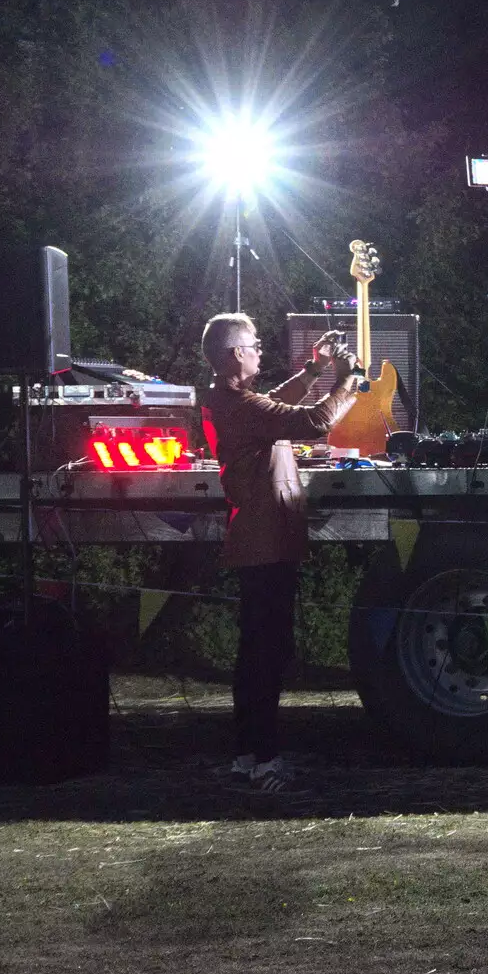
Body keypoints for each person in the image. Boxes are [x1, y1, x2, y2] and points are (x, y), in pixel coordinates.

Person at [199, 313, 360, 792]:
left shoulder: (232, 401)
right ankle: (264, 759)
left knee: (258, 651)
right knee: (267, 653)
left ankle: (248, 755)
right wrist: (350, 381)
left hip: (260, 540)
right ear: (234, 354)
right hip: (264, 543)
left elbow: (274, 405)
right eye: (253, 345)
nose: (260, 351)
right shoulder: (235, 403)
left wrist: (314, 371)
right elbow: (314, 422)